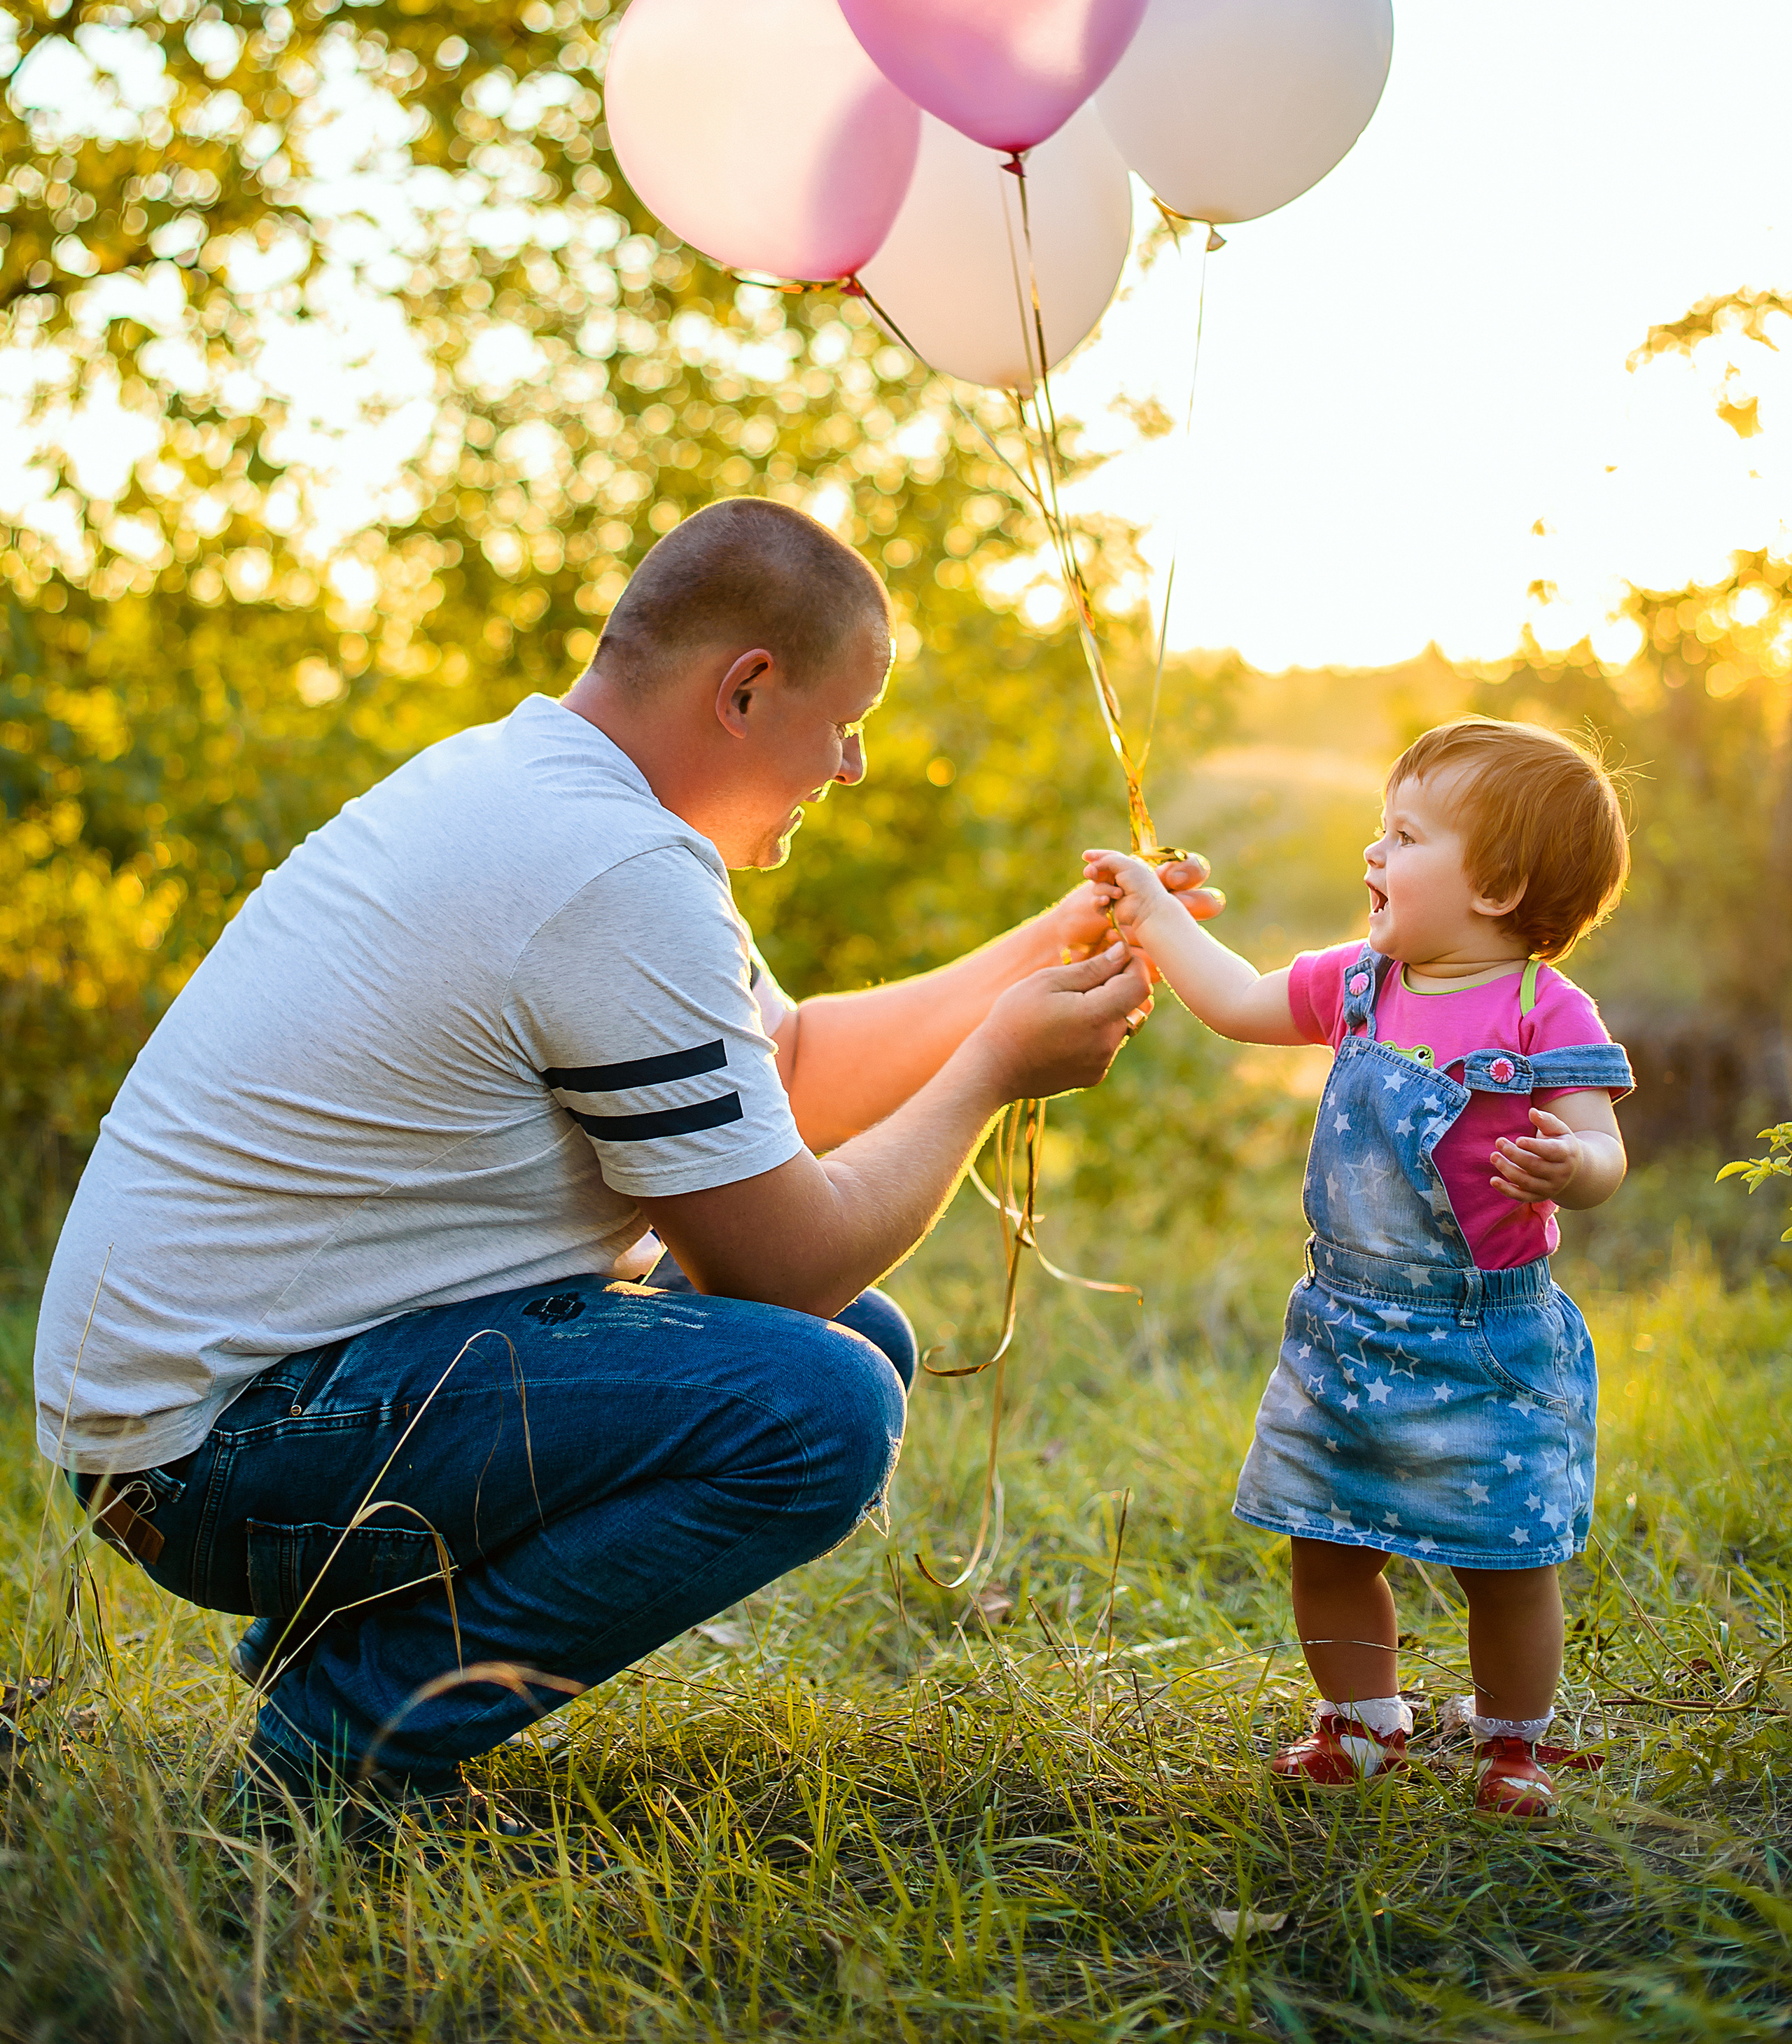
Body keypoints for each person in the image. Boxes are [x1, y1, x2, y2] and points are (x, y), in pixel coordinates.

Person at [35, 499, 1209, 1828]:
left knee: (853, 1341)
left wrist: (1046, 943)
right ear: (746, 691)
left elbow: (794, 1066)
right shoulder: (610, 869)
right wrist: (993, 1069)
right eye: (846, 720)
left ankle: (347, 1655)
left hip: (212, 1416)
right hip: (213, 1453)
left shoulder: (545, 789)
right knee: (816, 1403)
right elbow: (785, 1268)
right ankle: (343, 1742)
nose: (854, 765)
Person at [1084, 717, 1632, 1821]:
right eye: (1383, 828)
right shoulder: (1357, 984)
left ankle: (1513, 1741)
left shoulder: (1544, 1010)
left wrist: (1571, 1164)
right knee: (1327, 1540)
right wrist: (1152, 913)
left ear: (1500, 885)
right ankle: (1362, 1721)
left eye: (1407, 836)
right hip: (1350, 1325)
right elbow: (1236, 996)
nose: (1374, 851)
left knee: (1507, 1559)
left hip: (1486, 1336)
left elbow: (1606, 1150)